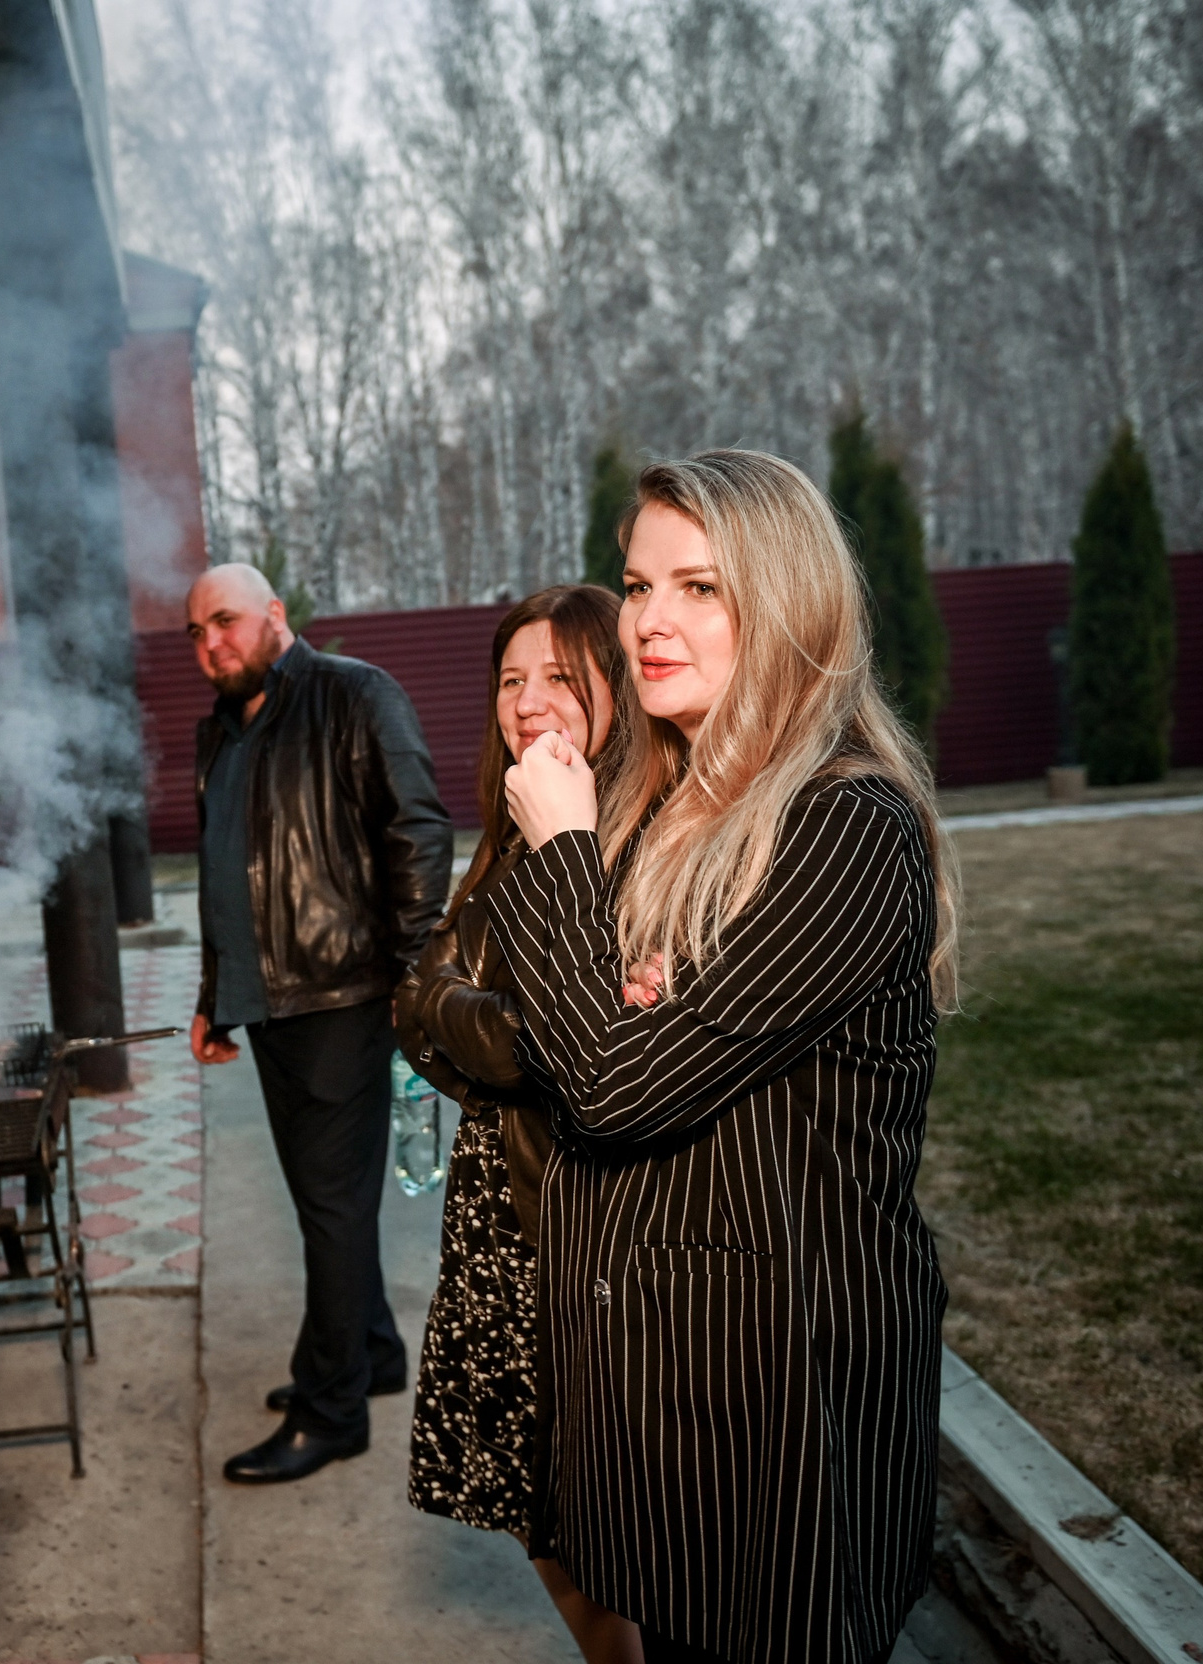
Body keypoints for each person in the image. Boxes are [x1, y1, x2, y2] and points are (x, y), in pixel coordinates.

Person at [491, 452, 959, 1664]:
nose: (648, 619)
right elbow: (595, 1041)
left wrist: (556, 861)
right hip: (668, 1403)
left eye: (698, 586)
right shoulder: (670, 800)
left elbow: (607, 1083)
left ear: (786, 603)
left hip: (773, 1416)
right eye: (639, 583)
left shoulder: (843, 824)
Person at [398, 584, 643, 1664]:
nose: (529, 701)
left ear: (615, 686)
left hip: (578, 1228)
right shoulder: (511, 823)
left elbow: (546, 1045)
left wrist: (459, 1015)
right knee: (529, 1506)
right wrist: (464, 1017)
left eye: (559, 676)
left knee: (602, 1516)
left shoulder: (625, 836)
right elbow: (423, 1013)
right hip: (499, 1210)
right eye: (511, 679)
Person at [184, 562, 452, 1484]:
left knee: (333, 1209)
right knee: (323, 1203)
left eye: (224, 621)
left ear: (273, 615)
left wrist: (416, 982)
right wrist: (214, 996)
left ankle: (331, 1406)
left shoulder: (355, 696)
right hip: (267, 1007)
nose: (210, 642)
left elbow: (416, 830)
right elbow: (225, 871)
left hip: (343, 997)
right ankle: (371, 1352)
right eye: (196, 631)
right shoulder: (217, 732)